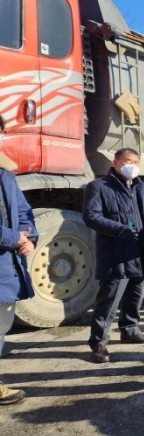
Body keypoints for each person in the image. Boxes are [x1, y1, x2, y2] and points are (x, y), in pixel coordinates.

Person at [83, 148, 144, 364]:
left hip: (139, 251)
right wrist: (119, 229)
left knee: (135, 295)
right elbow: (92, 217)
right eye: (128, 161)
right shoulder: (99, 187)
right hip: (115, 253)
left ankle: (130, 329)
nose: (133, 165)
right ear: (116, 162)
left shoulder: (139, 186)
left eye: (136, 162)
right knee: (109, 300)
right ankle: (98, 343)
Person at [0, 124, 36, 405]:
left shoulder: (6, 175)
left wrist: (27, 236)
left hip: (7, 267)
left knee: (2, 325)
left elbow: (24, 210)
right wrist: (16, 238)